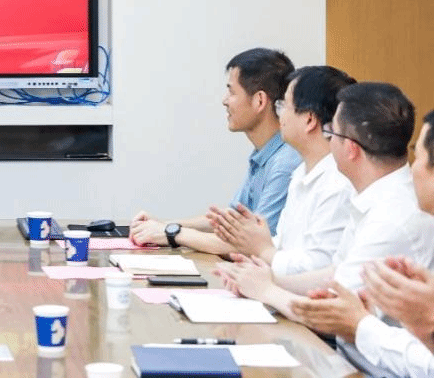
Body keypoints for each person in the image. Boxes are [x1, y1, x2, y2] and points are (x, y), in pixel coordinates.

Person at [215, 83, 434, 327]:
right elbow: (335, 274)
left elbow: (334, 310)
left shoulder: (392, 218)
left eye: (332, 133)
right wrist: (268, 279)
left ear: (351, 149)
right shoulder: (373, 196)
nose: (328, 141)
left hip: (346, 345)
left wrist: (267, 289)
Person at [287, 109, 434, 377]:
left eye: (420, 158)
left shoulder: (395, 217)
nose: (413, 168)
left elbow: (425, 365)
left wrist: (362, 324)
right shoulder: (368, 199)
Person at [130, 47, 301, 254]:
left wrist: (171, 233)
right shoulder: (264, 154)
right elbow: (229, 224)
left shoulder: (285, 163)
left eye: (232, 92)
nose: (224, 100)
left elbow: (251, 246)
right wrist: (164, 225)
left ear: (259, 101)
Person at [206, 65, 356, 274]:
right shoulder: (301, 173)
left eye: (284, 105)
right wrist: (252, 256)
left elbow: (316, 268)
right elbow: (282, 246)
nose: (279, 115)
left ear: (309, 120)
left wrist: (261, 250)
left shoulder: (337, 184)